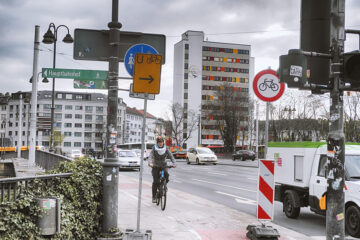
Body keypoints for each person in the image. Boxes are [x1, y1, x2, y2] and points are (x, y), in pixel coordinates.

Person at [148, 136, 176, 203]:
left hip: (163, 165)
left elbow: (171, 156)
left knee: (166, 174)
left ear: (163, 142)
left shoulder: (166, 148)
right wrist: (150, 163)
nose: (160, 143)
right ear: (157, 143)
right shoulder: (154, 148)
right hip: (155, 165)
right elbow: (150, 156)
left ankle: (164, 186)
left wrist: (174, 163)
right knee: (155, 181)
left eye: (161, 142)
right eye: (159, 142)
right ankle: (154, 196)